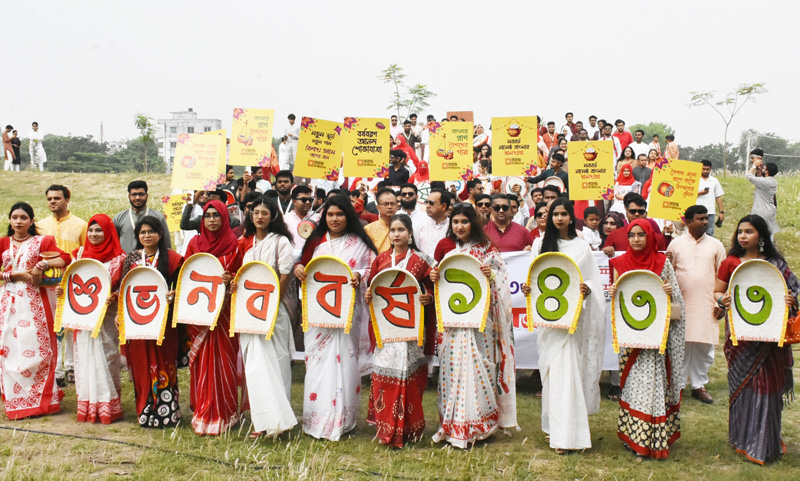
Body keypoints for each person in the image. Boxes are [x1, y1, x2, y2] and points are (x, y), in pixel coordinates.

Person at [520, 198, 603, 454]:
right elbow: (533, 279)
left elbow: (593, 281)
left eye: (563, 214)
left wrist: (587, 288)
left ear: (570, 217)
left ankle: (568, 436)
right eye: (554, 214)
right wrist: (527, 289)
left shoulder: (581, 247)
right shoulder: (539, 244)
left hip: (571, 323)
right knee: (551, 375)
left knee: (568, 374)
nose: (558, 218)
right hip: (548, 323)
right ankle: (555, 429)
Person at [714, 214, 798, 465]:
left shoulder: (776, 264)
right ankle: (742, 439)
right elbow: (717, 290)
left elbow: (793, 290)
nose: (743, 236)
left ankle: (764, 444)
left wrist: (791, 300)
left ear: (761, 235)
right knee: (743, 387)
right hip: (740, 338)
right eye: (740, 231)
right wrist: (722, 300)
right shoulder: (730, 262)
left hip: (770, 338)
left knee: (768, 388)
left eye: (749, 231)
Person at [430, 203, 516, 448]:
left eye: (464, 222)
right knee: (452, 369)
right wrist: (434, 276)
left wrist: (491, 275)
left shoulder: (486, 248)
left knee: (478, 367)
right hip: (452, 323)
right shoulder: (446, 247)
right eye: (455, 222)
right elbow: (440, 280)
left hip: (480, 321)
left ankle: (480, 425)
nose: (459, 226)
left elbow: (502, 277)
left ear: (473, 223)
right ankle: (452, 425)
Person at [294, 195, 377, 441]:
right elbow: (303, 266)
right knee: (317, 363)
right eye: (330, 214)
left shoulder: (359, 243)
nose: (334, 219)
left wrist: (359, 275)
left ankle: (344, 420)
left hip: (348, 313)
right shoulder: (316, 241)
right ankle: (317, 417)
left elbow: (373, 268)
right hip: (318, 314)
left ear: (348, 216)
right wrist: (299, 269)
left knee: (345, 361)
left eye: (340, 214)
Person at [609, 219, 685, 458]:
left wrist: (669, 293)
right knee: (633, 386)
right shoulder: (619, 263)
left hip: (656, 340)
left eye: (641, 234)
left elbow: (676, 303)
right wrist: (612, 293)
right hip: (631, 338)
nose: (636, 239)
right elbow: (618, 302)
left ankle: (652, 438)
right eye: (631, 235)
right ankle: (634, 437)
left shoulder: (663, 263)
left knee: (653, 385)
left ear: (650, 236)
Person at [364, 214, 435, 447]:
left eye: (401, 230)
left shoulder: (423, 260)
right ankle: (386, 429)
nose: (396, 234)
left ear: (410, 233)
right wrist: (368, 295)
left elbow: (434, 289)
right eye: (393, 230)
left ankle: (409, 429)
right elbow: (373, 288)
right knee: (385, 375)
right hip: (386, 330)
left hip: (411, 330)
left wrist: (428, 297)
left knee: (408, 376)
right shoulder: (381, 259)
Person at [234, 196, 297, 438]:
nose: (259, 217)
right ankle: (261, 422)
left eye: (264, 213)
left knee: (277, 364)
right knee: (255, 366)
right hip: (250, 313)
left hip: (274, 311)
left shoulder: (280, 241)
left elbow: (285, 274)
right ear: (250, 216)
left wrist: (271, 303)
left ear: (273, 216)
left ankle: (281, 422)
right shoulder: (246, 243)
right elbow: (243, 276)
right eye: (256, 212)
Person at [0, 202, 70, 419]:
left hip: (34, 301)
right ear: (10, 220)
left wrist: (42, 265)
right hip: (8, 302)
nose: (18, 221)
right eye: (15, 217)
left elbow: (65, 258)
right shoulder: (3, 243)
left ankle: (42, 399)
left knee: (38, 348)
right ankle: (16, 400)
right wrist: (14, 275)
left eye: (23, 218)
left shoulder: (42, 242)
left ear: (31, 221)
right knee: (9, 349)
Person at [59, 214, 126, 423]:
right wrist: (62, 290)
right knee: (85, 356)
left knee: (108, 355)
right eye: (91, 230)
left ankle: (108, 405)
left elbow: (124, 287)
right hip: (84, 317)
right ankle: (88, 403)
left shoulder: (119, 259)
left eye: (99, 230)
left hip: (107, 316)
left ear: (109, 232)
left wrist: (115, 295)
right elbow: (71, 282)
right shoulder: (79, 255)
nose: (94, 234)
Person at [183, 200, 242, 435]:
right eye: (207, 216)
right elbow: (186, 274)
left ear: (225, 218)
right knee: (203, 361)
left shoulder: (235, 245)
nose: (211, 220)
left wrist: (233, 279)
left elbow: (242, 276)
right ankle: (203, 411)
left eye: (216, 215)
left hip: (225, 313)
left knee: (224, 360)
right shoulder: (194, 244)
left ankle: (226, 413)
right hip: (199, 313)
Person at [121, 216, 184, 428]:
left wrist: (174, 295)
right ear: (137, 236)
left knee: (164, 363)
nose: (147, 236)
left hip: (163, 322)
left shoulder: (173, 259)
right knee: (141, 364)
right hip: (137, 322)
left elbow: (182, 288)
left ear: (160, 234)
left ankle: (167, 412)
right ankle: (144, 411)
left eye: (151, 232)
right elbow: (124, 289)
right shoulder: (131, 259)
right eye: (142, 232)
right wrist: (120, 314)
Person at [667, 205, 724, 404]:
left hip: (707, 303)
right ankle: (679, 384)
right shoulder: (675, 245)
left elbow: (722, 277)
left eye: (706, 218)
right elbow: (668, 273)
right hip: (681, 303)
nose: (705, 222)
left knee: (704, 346)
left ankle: (699, 385)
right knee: (680, 345)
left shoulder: (716, 245)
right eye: (700, 218)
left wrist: (721, 303)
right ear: (688, 222)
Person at [38, 185, 88, 387]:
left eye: (57, 198)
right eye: (49, 198)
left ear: (67, 200)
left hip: (73, 282)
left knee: (71, 324)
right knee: (54, 325)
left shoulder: (81, 225)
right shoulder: (40, 226)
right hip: (47, 284)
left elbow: (85, 253)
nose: (52, 202)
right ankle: (56, 369)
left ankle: (71, 366)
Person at [113, 180, 170, 252]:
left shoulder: (158, 217)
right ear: (129, 196)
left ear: (147, 196)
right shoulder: (119, 218)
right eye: (134, 194)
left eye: (141, 194)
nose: (137, 197)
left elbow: (166, 244)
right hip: (126, 258)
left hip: (153, 258)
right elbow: (113, 243)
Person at [602, 194, 667, 256]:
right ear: (627, 214)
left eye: (641, 211)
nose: (636, 214)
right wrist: (607, 250)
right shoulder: (614, 235)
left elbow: (663, 257)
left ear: (646, 214)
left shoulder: (656, 238)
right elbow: (601, 258)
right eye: (633, 211)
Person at [745, 150, 779, 238]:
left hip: (762, 211)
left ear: (767, 171)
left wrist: (754, 166)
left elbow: (749, 176)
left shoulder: (765, 182)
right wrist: (758, 170)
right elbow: (760, 179)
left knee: (760, 232)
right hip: (769, 210)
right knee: (768, 231)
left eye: (764, 168)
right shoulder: (772, 181)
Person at [417, 189, 451, 258]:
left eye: (431, 203)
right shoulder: (421, 227)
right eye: (426, 202)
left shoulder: (453, 227)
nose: (427, 206)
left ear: (444, 206)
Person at [365, 188, 399, 253]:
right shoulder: (369, 229)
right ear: (378, 208)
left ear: (397, 207)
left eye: (392, 204)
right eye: (386, 204)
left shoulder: (404, 227)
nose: (389, 207)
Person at [697, 160, 725, 236]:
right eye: (703, 169)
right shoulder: (695, 179)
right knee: (697, 233)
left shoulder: (714, 181)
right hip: (697, 212)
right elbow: (689, 195)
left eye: (707, 169)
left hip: (710, 212)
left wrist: (721, 212)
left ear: (710, 169)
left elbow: (718, 196)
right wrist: (699, 193)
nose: (705, 171)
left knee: (709, 234)